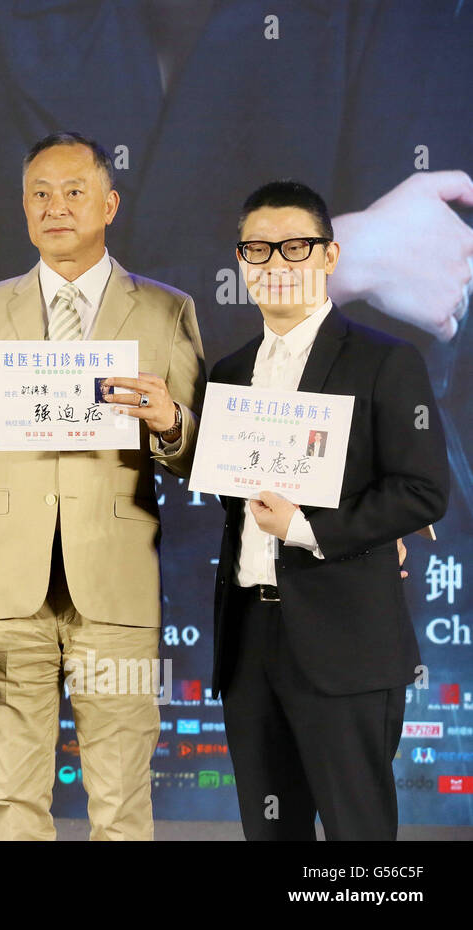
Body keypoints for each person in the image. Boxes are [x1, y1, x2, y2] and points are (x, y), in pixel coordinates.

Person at [0, 132, 205, 840]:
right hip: (5, 597)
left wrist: (170, 422)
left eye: (74, 192)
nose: (56, 208)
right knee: (13, 802)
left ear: (109, 204)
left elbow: (200, 457)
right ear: (22, 209)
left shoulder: (165, 312)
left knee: (120, 801)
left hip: (115, 587)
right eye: (39, 195)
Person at [209, 180, 449, 840]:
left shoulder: (386, 361)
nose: (276, 264)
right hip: (250, 641)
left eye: (295, 247)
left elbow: (424, 489)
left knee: (357, 837)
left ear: (330, 256)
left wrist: (309, 528)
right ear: (241, 262)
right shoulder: (228, 373)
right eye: (258, 249)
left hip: (347, 641)